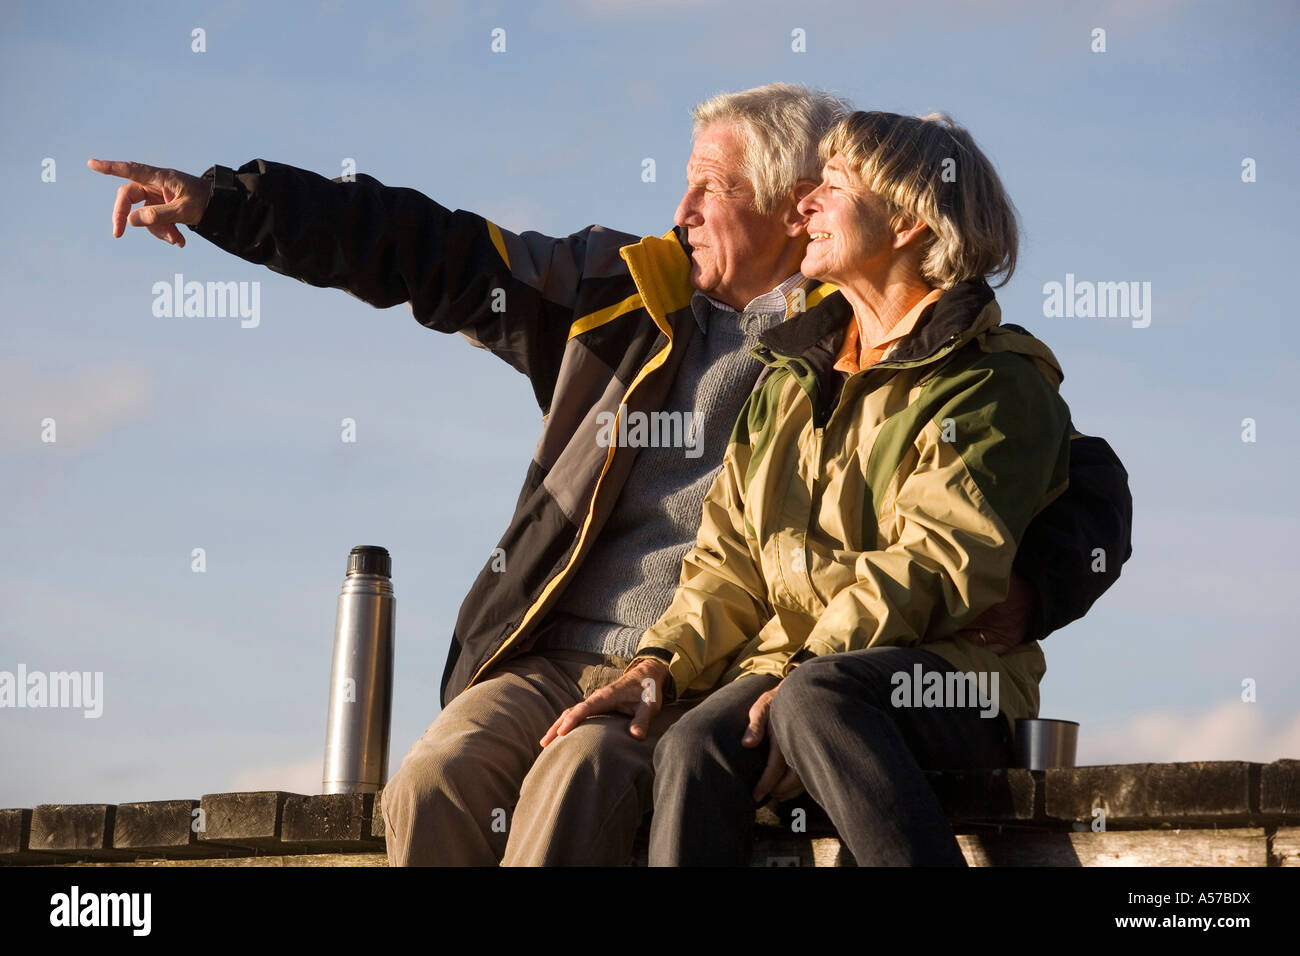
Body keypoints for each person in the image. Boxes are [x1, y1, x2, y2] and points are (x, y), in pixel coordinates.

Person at [88, 86, 1132, 866]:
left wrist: (1037, 584)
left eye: (714, 187)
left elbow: (1072, 476)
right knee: (437, 782)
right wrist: (229, 203)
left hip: (720, 668)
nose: (678, 206)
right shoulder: (623, 299)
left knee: (582, 774)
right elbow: (422, 250)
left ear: (787, 206)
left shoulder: (877, 344)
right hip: (557, 653)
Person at [553, 110, 1100, 866]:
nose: (803, 205)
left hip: (954, 688)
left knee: (820, 700)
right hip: (806, 676)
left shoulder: (992, 384)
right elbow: (727, 564)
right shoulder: (786, 383)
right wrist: (660, 664)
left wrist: (797, 672)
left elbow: (936, 562)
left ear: (909, 220)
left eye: (832, 187)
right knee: (693, 743)